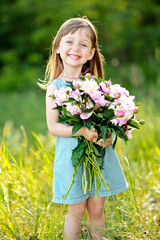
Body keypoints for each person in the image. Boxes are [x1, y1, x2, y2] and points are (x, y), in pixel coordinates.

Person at [45, 17, 128, 240]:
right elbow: (53, 126)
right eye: (70, 42)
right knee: (77, 209)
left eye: (83, 44)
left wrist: (106, 137)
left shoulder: (96, 85)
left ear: (91, 53)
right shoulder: (56, 86)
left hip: (98, 156)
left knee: (97, 209)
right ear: (58, 48)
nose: (76, 48)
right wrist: (81, 131)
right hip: (73, 158)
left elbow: (107, 123)